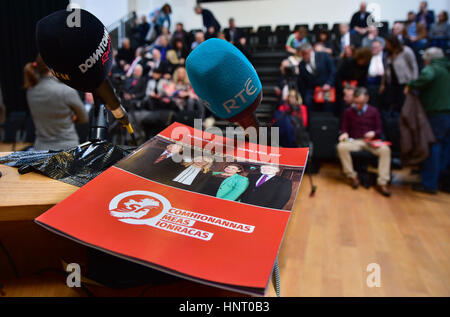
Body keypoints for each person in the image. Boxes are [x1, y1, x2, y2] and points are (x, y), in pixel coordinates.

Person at [406, 48, 450, 194]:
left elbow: (426, 77)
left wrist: (412, 85)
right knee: (445, 148)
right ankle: (441, 181)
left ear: (428, 59)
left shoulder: (433, 68)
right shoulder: (446, 67)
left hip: (436, 114)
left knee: (432, 146)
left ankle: (429, 183)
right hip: (447, 114)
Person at [24, 55, 88, 151]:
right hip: (67, 149)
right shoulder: (66, 90)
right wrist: (71, 117)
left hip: (40, 149)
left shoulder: (31, 91)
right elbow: (84, 118)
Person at [337, 87, 391, 197]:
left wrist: (374, 133)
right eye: (355, 103)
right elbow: (344, 128)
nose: (358, 106)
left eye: (360, 103)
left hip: (370, 141)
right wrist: (344, 134)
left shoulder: (374, 111)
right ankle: (352, 176)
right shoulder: (348, 112)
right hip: (355, 141)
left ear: (367, 99)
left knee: (385, 150)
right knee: (341, 147)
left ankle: (382, 182)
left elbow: (379, 129)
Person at [381, 35, 418, 112]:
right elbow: (386, 69)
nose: (386, 45)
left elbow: (414, 67)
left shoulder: (406, 51)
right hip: (392, 83)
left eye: (387, 43)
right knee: (392, 104)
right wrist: (383, 84)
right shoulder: (388, 53)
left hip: (405, 83)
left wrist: (412, 83)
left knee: (404, 105)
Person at [297, 42, 336, 112]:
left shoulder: (323, 56)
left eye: (306, 53)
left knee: (328, 106)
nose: (304, 56)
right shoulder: (301, 65)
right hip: (312, 90)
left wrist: (329, 84)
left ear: (311, 50)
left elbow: (333, 71)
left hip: (326, 88)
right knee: (307, 102)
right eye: (302, 54)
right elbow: (302, 82)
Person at [366, 40, 386, 109]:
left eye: (376, 47)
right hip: (369, 83)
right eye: (373, 47)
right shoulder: (368, 56)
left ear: (381, 48)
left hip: (382, 83)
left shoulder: (385, 56)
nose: (374, 49)